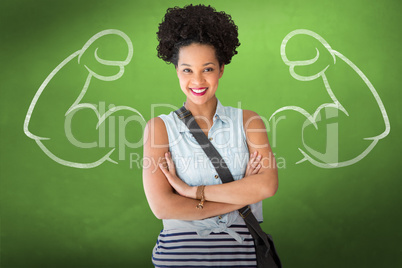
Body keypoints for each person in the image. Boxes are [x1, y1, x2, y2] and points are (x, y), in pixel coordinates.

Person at [142, 4, 279, 267]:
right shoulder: (159, 127)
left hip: (243, 259)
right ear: (176, 71)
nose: (197, 81)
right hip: (178, 260)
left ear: (221, 69)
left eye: (207, 69)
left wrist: (190, 191)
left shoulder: (249, 121)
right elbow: (163, 207)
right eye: (187, 70)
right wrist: (240, 196)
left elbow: (266, 186)